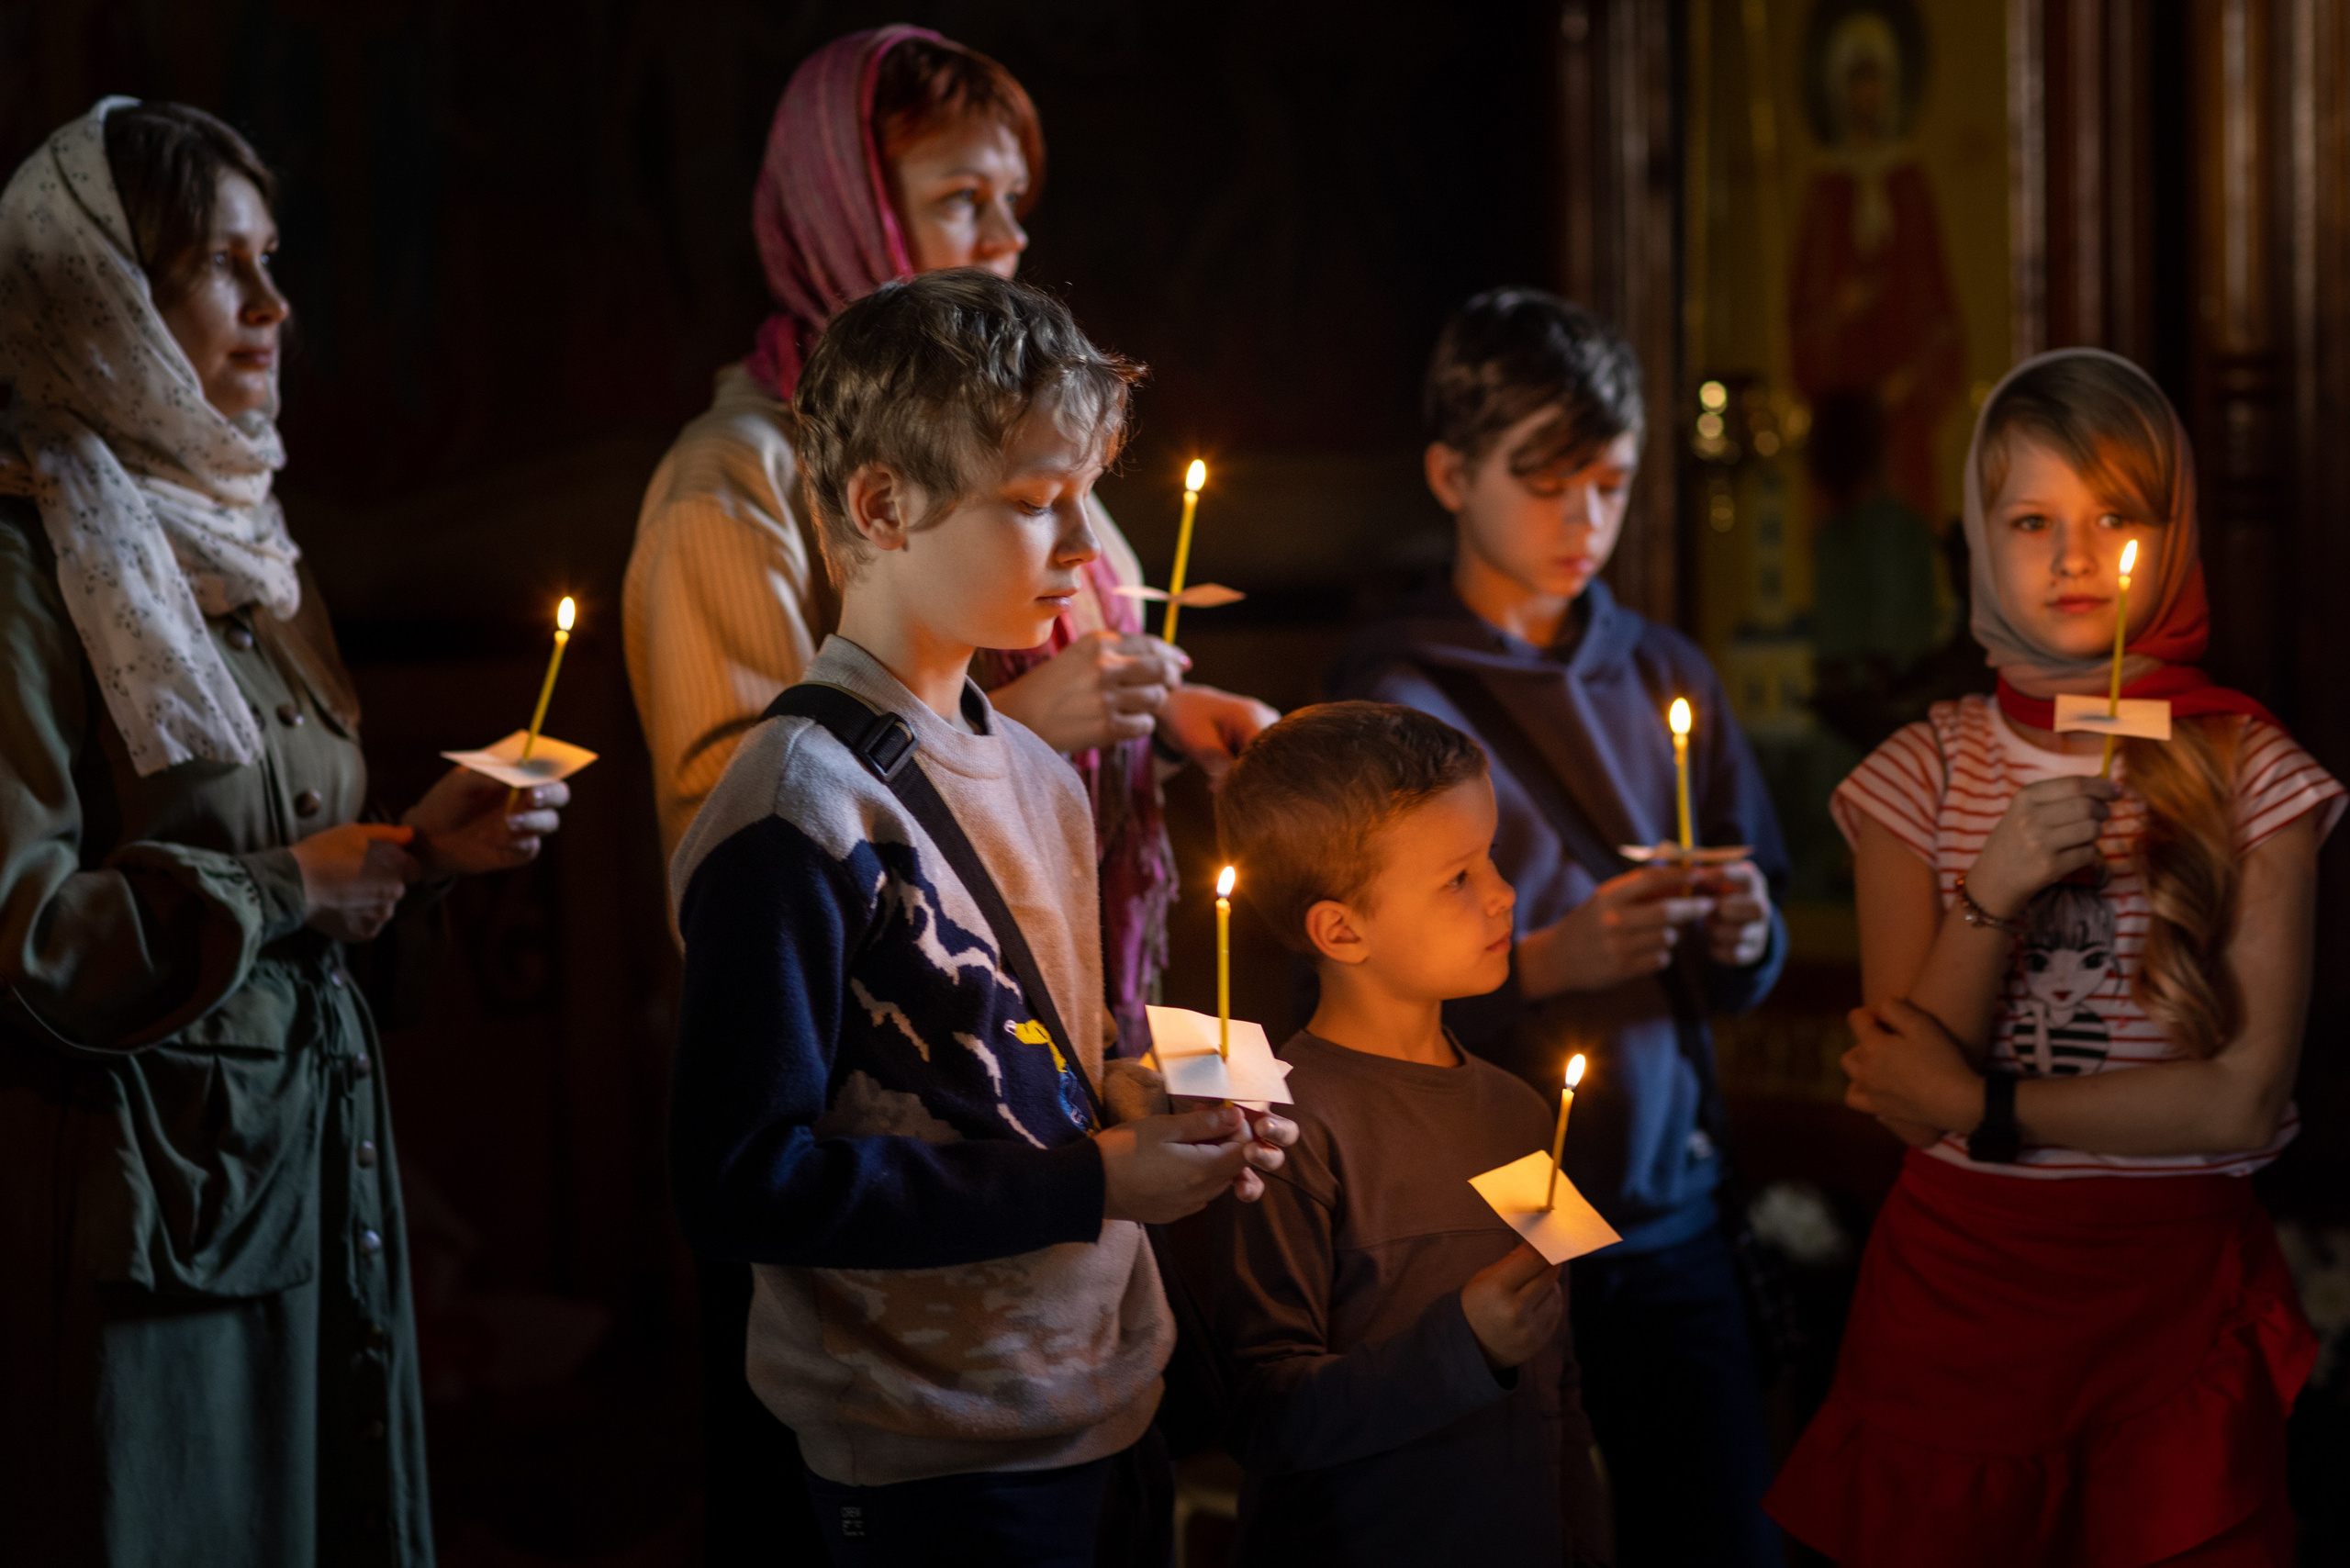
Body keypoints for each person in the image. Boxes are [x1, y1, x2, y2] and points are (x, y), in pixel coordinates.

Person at [0, 99, 569, 1568]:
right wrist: (278, 888)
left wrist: (417, 856)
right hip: (142, 1240)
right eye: (217, 265)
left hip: (315, 1195)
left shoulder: (257, 546)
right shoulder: (29, 555)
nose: (273, 306)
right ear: (104, 291)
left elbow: (314, 875)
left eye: (274, 260)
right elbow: (27, 933)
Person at [665, 268, 1294, 1568]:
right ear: (883, 507)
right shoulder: (796, 809)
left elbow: (1023, 1070)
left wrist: (1154, 1104)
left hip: (1102, 1398)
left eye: (1086, 497)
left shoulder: (1038, 773)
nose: (1081, 547)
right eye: (1035, 501)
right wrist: (1093, 1180)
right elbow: (740, 1184)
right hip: (920, 1448)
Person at [1767, 348, 2338, 1566]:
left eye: (2113, 517)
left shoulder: (2251, 768)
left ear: (2169, 532)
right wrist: (1991, 893)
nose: (2076, 559)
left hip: (2168, 1300)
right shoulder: (1920, 772)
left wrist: (1988, 1105)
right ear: (1980, 534)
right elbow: (1899, 1094)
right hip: (1959, 1306)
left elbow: (2241, 1098)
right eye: (2033, 520)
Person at [1326, 288, 1786, 1566]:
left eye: (1612, 484)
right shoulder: (1399, 691)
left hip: (1673, 1198)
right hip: (1495, 1209)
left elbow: (1756, 944)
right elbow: (1354, 994)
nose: (1587, 521)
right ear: (1450, 473)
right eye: (1548, 483)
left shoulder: (1665, 672)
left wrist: (1747, 938)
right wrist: (1549, 963)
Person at [1200, 701, 1608, 1566]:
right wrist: (1463, 1346)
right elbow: (1266, 1414)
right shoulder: (1271, 1127)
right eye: (1457, 877)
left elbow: (1556, 1379)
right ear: (1341, 929)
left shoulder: (1522, 1112)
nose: (1502, 893)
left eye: (1491, 856)